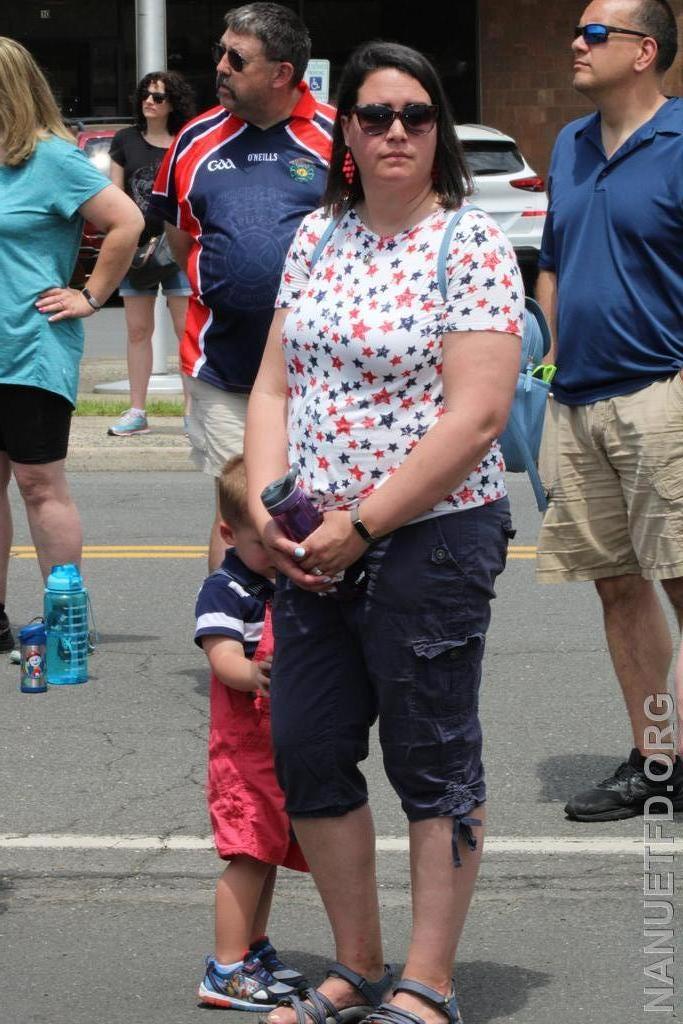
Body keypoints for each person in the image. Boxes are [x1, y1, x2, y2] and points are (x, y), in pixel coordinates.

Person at [244, 40, 523, 1024]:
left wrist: (359, 524)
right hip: (311, 542)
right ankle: (357, 965)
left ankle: (428, 980)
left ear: (436, 129)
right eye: (375, 115)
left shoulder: (469, 245)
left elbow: (477, 416)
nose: (396, 129)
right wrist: (278, 512)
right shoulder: (317, 236)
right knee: (308, 744)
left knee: (430, 752)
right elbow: (274, 382)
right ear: (346, 135)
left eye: (415, 113)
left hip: (430, 536)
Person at [535, 0, 683, 821]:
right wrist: (549, 352)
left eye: (593, 33)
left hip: (664, 393)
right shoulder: (567, 143)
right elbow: (551, 261)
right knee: (618, 589)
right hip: (577, 399)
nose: (575, 43)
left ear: (643, 51)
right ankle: (655, 763)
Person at [148, 2, 333, 571]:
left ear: (282, 72)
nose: (221, 67)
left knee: (318, 509)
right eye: (219, 53)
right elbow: (182, 239)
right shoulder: (193, 140)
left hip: (320, 370)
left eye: (237, 57)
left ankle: (306, 647)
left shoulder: (339, 135)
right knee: (240, 514)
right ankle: (232, 637)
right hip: (222, 362)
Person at [0, 37, 143, 650]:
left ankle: (65, 624)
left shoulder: (51, 159)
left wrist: (88, 295)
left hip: (29, 346)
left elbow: (127, 221)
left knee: (38, 483)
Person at [193, 455, 308, 1010]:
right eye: (264, 544)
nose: (277, 554)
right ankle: (225, 968)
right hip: (242, 751)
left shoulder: (278, 580)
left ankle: (252, 949)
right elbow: (222, 659)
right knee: (247, 854)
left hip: (277, 745)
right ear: (227, 534)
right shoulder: (226, 589)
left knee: (266, 853)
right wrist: (255, 675)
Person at [107, 71, 195, 438]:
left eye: (159, 97)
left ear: (172, 102)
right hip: (137, 249)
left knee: (186, 331)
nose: (150, 101)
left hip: (177, 246)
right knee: (138, 330)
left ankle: (193, 413)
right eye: (146, 94)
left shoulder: (185, 141)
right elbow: (114, 195)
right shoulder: (125, 139)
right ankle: (137, 410)